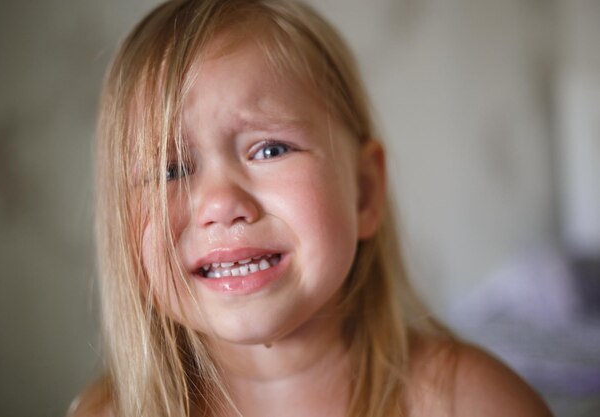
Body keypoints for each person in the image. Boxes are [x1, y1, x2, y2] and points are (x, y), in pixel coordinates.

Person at [69, 1, 553, 416]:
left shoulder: (471, 403)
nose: (221, 204)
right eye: (170, 170)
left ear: (364, 192)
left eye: (270, 150)